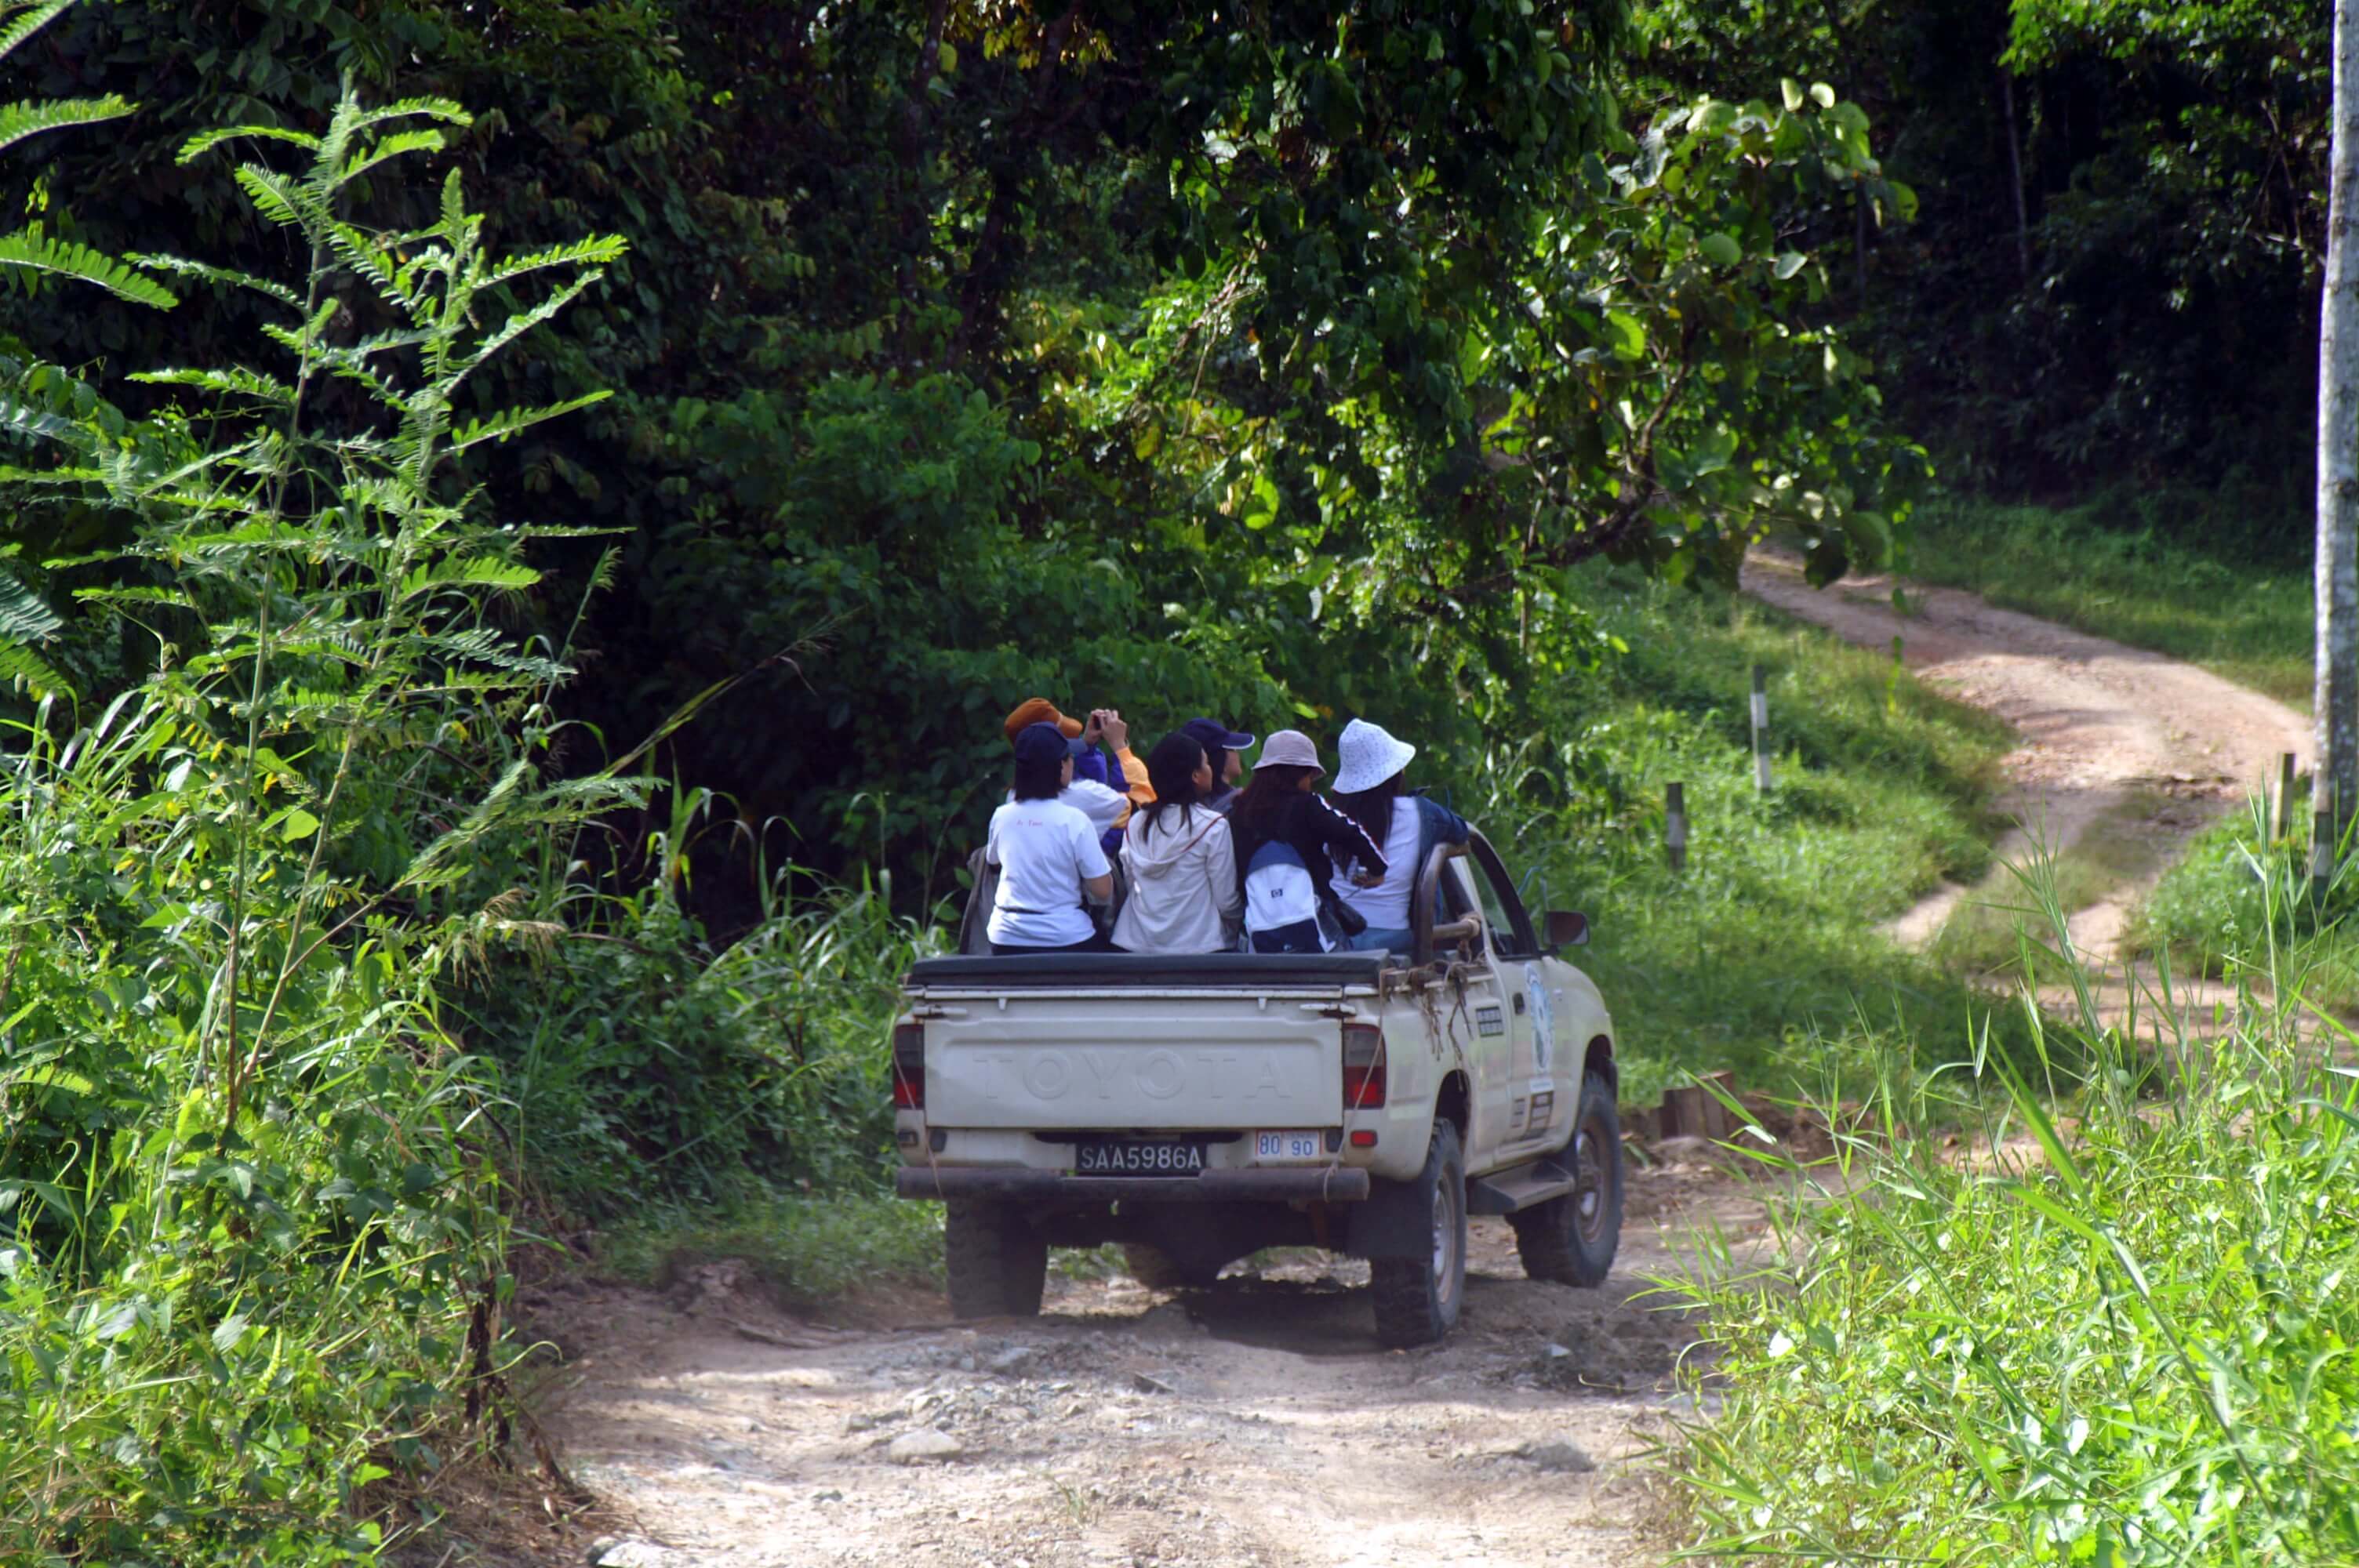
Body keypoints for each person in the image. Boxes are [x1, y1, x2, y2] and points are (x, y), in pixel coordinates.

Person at [1226, 731, 1388, 953]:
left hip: (1258, 923)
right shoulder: (1307, 805)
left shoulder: (1239, 812)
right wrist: (1377, 869)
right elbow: (1350, 832)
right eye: (1310, 777)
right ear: (1302, 773)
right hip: (1312, 918)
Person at [1327, 718, 1470, 956]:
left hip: (1335, 938)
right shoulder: (1422, 813)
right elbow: (1461, 831)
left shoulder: (1328, 816)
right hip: (1393, 939)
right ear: (1394, 774)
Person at [984, 722, 1114, 954]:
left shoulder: (1001, 816)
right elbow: (1103, 891)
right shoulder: (1075, 820)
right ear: (1061, 767)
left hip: (1006, 938)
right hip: (1066, 937)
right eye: (1069, 757)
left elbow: (993, 862)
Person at [1110, 733, 1242, 955]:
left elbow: (1131, 880)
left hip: (1135, 943)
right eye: (1206, 763)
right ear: (1195, 776)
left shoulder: (1136, 823)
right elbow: (1226, 900)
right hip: (1199, 945)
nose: (1210, 769)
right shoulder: (1212, 826)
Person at [1001, 698, 1151, 848]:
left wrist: (1087, 747)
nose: (1072, 757)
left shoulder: (1012, 798)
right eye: (1068, 753)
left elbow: (1092, 788)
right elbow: (1142, 806)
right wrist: (1121, 748)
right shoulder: (1079, 795)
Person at [1179, 717, 1256, 816]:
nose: (1238, 753)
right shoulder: (1241, 807)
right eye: (1231, 749)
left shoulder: (1181, 810)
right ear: (1218, 759)